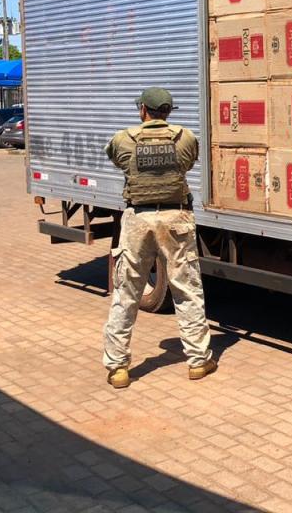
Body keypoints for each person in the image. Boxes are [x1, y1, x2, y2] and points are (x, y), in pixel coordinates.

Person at [102, 87, 216, 388]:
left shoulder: (123, 139)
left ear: (143, 110)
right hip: (176, 218)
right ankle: (198, 361)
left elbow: (116, 159)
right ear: (168, 111)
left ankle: (118, 368)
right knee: (187, 290)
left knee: (126, 293)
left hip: (138, 220)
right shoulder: (185, 138)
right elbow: (189, 163)